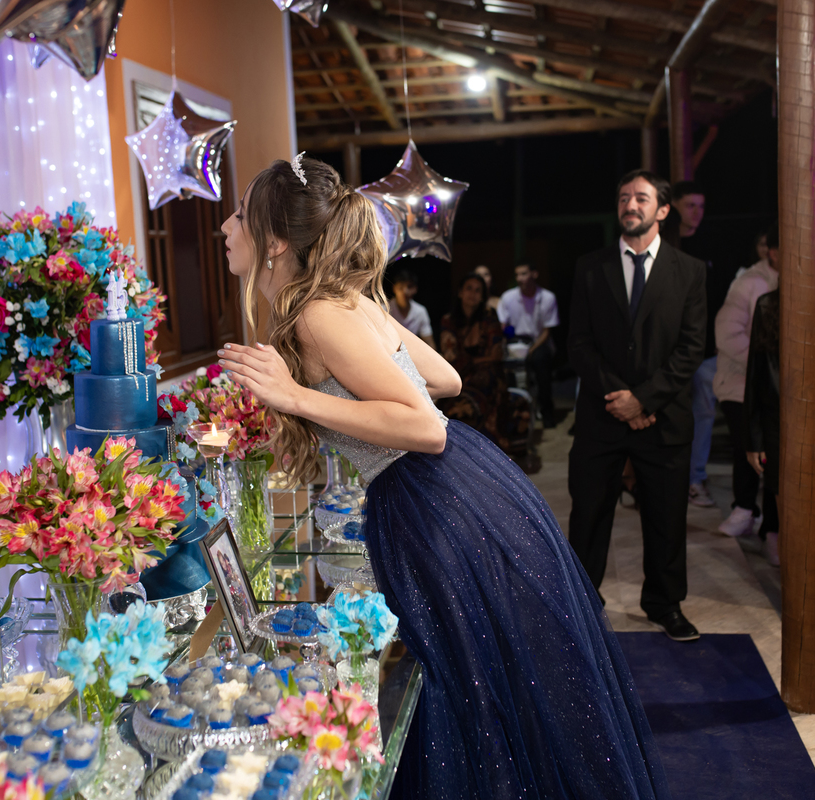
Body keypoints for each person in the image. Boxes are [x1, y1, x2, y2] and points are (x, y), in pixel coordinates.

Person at [216, 157, 670, 798]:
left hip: (424, 498)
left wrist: (296, 397)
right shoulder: (344, 302)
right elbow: (446, 379)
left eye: (240, 214)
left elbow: (424, 426)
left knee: (462, 682)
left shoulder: (319, 312)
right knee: (486, 673)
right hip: (459, 481)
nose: (227, 226)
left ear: (276, 241)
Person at [568, 169, 707, 643]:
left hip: (663, 419)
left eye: (642, 198)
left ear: (663, 209)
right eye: (624, 197)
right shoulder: (591, 266)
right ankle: (584, 600)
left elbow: (691, 348)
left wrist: (644, 400)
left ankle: (665, 604)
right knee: (589, 515)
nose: (631, 205)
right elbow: (579, 344)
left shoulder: (690, 271)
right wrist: (621, 400)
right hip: (601, 415)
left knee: (666, 518)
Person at [713, 224, 779, 537]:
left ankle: (773, 528)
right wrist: (765, 369)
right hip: (741, 383)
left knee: (778, 453)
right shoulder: (749, 283)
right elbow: (727, 333)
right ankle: (744, 508)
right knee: (748, 447)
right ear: (772, 252)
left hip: (781, 388)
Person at [665, 181, 719, 508]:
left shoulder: (711, 244)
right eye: (690, 205)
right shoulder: (662, 245)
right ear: (673, 206)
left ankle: (695, 478)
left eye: (701, 206)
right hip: (669, 350)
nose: (697, 212)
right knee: (668, 414)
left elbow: (719, 299)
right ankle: (666, 479)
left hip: (706, 349)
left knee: (703, 412)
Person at [438, 272, 515, 449]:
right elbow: (451, 356)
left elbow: (496, 354)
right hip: (459, 375)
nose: (473, 294)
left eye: (478, 290)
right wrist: (477, 361)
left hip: (488, 374)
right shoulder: (449, 320)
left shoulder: (489, 316)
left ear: (483, 296)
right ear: (460, 292)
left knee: (487, 380)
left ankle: (490, 445)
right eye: (469, 289)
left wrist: (472, 362)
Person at [743, 288, 781, 567]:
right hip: (777, 420)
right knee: (783, 498)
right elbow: (756, 374)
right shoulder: (768, 304)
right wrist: (754, 438)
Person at [497, 263, 560, 427]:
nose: (519, 278)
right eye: (517, 275)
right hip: (514, 342)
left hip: (538, 342)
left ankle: (547, 412)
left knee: (541, 364)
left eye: (523, 274)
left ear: (534, 274)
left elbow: (547, 330)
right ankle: (513, 411)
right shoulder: (508, 297)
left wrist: (531, 350)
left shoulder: (547, 297)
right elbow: (502, 326)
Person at [389, 270, 435, 350]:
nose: (405, 291)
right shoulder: (384, 310)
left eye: (409, 287)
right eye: (400, 287)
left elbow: (429, 342)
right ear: (394, 288)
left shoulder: (420, 311)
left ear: (415, 289)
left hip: (411, 353)